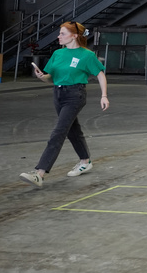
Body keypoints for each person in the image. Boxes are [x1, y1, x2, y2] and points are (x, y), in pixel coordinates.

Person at [20, 21, 109, 188]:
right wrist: (42, 77)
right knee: (72, 129)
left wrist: (104, 95)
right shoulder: (58, 54)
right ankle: (85, 161)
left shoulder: (87, 55)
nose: (58, 36)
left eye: (62, 33)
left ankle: (39, 173)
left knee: (59, 132)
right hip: (58, 94)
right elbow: (51, 78)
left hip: (75, 95)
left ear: (74, 36)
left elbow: (100, 74)